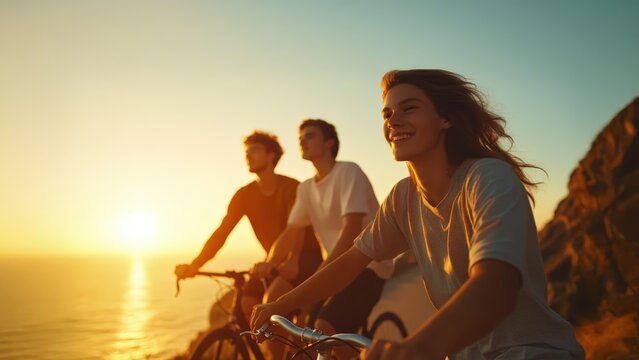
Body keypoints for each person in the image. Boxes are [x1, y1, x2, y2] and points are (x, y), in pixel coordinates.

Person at [252, 70, 585, 360]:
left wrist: (419, 347)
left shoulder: (487, 178)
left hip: (529, 352)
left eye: (408, 108)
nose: (392, 121)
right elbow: (351, 262)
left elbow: (496, 283)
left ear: (445, 119)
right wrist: (280, 304)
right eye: (387, 114)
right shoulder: (403, 196)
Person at [252, 119, 394, 357]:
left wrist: (320, 273)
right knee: (306, 329)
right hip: (335, 269)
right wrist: (271, 262)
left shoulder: (349, 172)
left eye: (309, 136)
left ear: (329, 142)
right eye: (300, 137)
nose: (302, 140)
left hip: (368, 267)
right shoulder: (306, 188)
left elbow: (351, 232)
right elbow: (290, 232)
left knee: (324, 330)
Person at [174, 130, 321, 325]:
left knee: (272, 303)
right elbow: (221, 233)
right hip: (273, 263)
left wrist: (292, 259)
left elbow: (296, 229)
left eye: (255, 150)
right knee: (247, 304)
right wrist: (195, 265)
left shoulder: (291, 187)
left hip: (304, 258)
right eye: (246, 152)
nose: (248, 155)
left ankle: (293, 352)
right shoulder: (244, 195)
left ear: (271, 155)